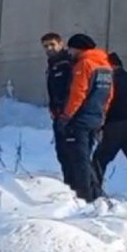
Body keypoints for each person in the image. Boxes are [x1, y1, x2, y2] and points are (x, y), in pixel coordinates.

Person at [57, 34, 115, 202]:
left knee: (79, 159)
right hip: (96, 118)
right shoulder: (106, 66)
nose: (69, 52)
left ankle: (85, 197)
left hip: (81, 118)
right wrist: (102, 116)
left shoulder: (84, 64)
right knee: (87, 156)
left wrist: (66, 116)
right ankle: (95, 192)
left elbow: (78, 93)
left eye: (71, 48)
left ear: (78, 48)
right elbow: (109, 96)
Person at [93, 53, 127, 196]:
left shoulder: (107, 82)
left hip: (115, 126)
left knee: (99, 160)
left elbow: (100, 104)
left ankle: (93, 194)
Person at [42, 32, 75, 185]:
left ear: (61, 44)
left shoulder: (68, 64)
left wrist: (66, 111)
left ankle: (80, 188)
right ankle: (70, 183)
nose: (49, 49)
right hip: (58, 114)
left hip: (70, 115)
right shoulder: (53, 65)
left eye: (52, 45)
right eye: (46, 46)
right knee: (62, 152)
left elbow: (72, 89)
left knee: (73, 153)